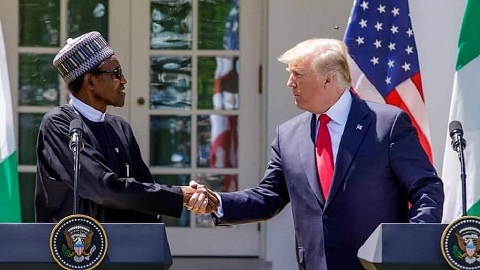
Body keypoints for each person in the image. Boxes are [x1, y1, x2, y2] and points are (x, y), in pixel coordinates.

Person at [187, 38, 444, 270]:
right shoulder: (288, 135)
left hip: (376, 264)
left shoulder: (386, 124)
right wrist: (218, 202)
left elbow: (425, 188)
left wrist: (411, 245)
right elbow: (268, 197)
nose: (290, 83)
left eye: (298, 74)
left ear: (328, 80)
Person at [35, 31, 217, 223]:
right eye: (116, 73)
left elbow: (145, 191)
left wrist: (184, 197)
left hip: (124, 247)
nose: (124, 80)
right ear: (90, 81)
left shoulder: (119, 127)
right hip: (72, 248)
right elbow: (103, 189)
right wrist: (180, 195)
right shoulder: (59, 123)